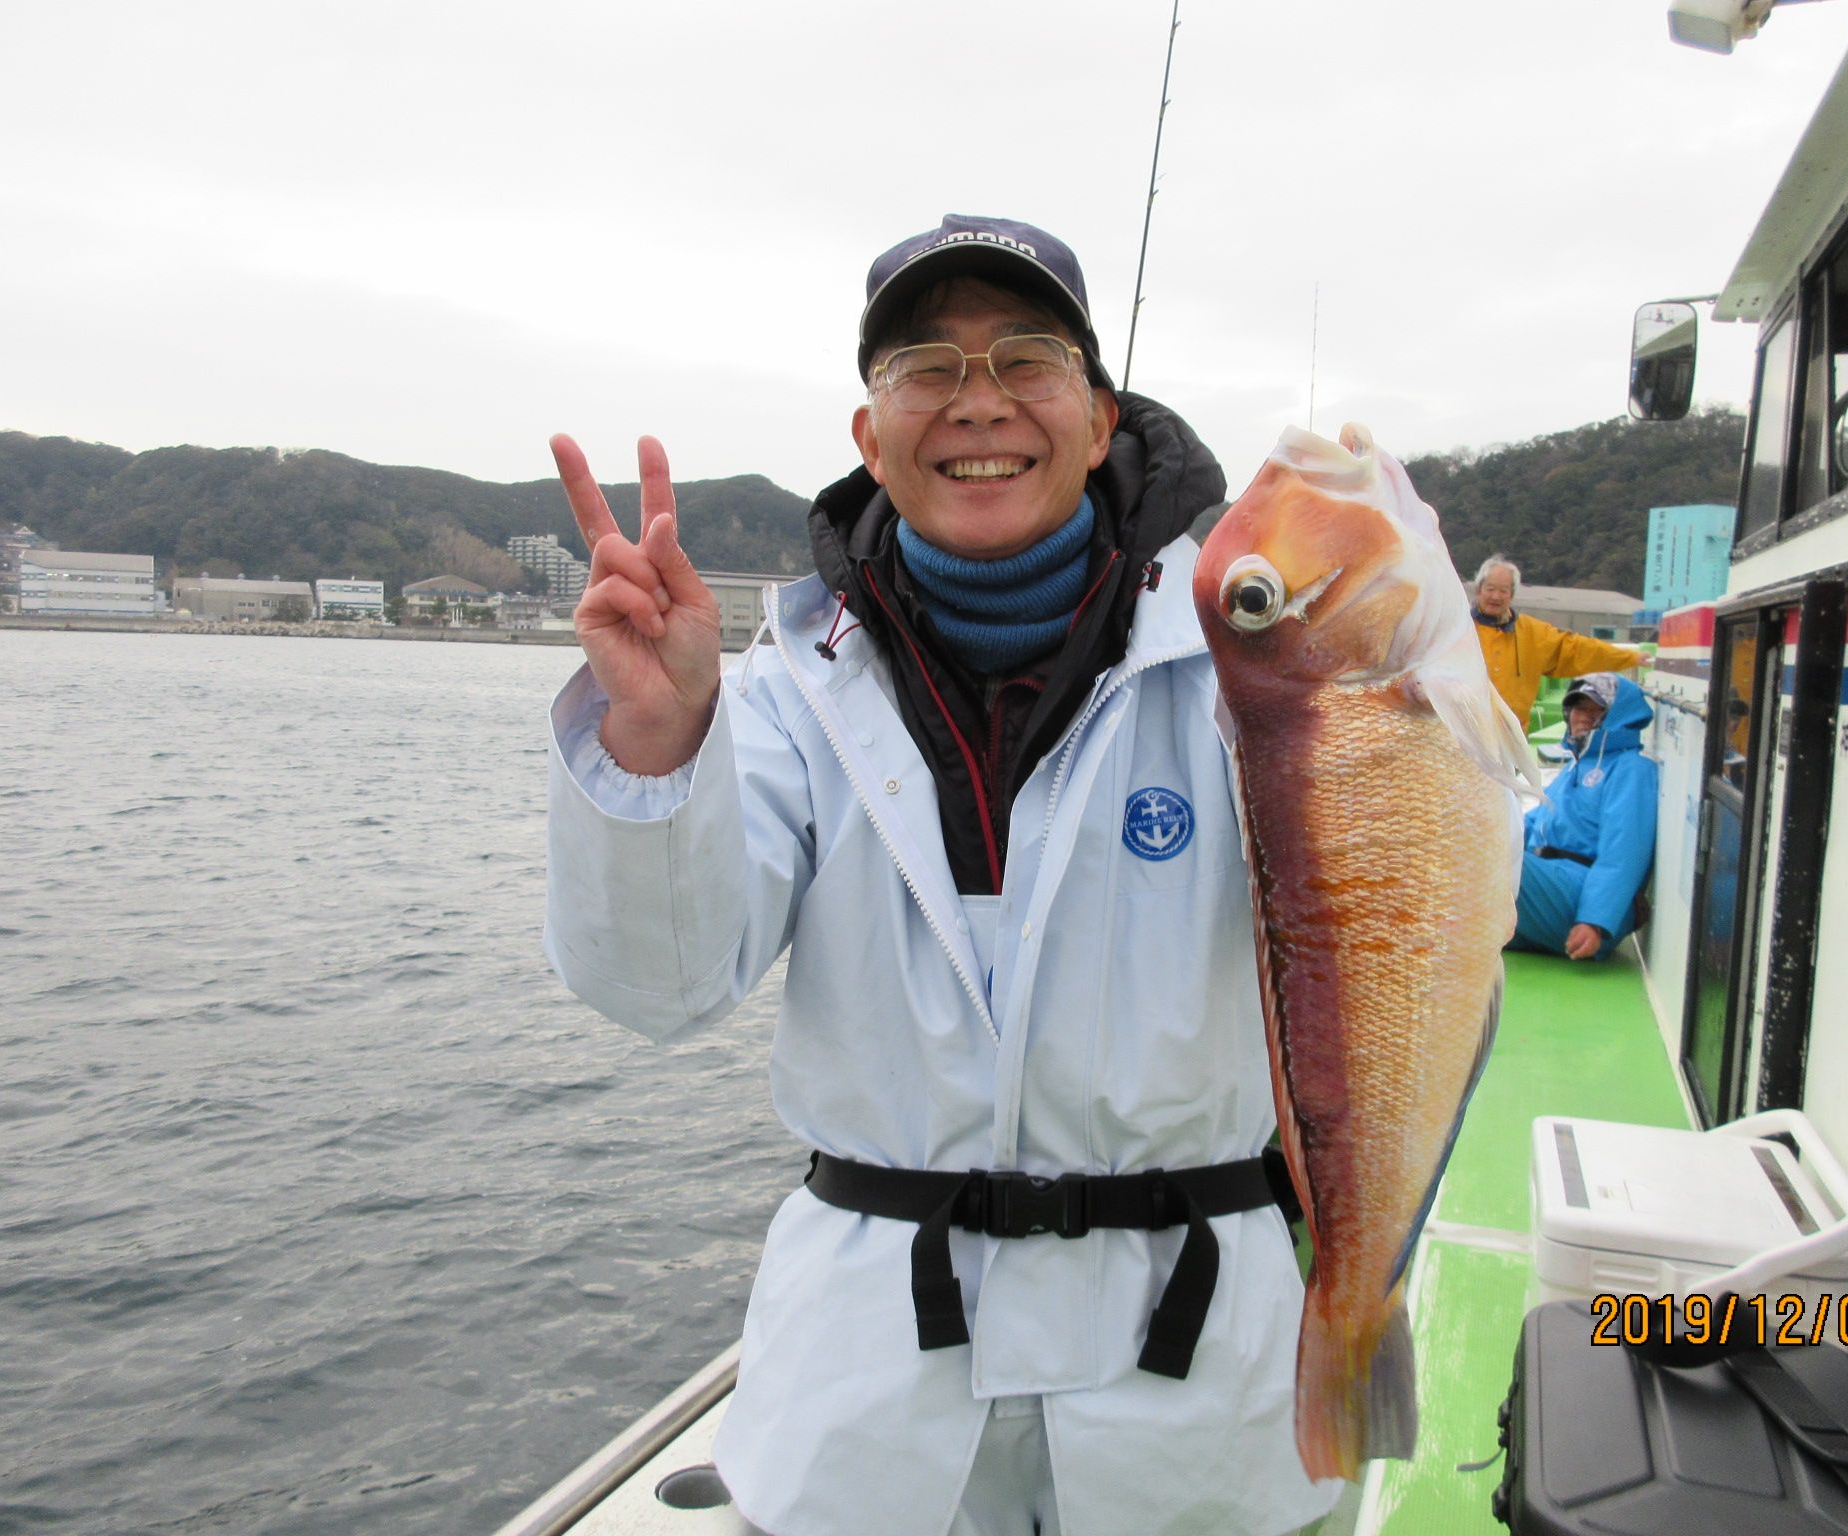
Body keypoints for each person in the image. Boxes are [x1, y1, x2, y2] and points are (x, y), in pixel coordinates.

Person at [540, 215, 1340, 1536]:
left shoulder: (1253, 651)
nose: (978, 403)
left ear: (1099, 417)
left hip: (1196, 1389)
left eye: (1026, 358)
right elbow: (659, 987)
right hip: (868, 1410)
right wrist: (657, 736)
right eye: (926, 367)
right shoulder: (788, 685)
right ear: (871, 435)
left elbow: (1394, 917)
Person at [1510, 672, 1658, 960]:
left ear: (1618, 716)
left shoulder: (1632, 770)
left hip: (1582, 898)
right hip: (1552, 883)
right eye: (1578, 707)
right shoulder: (1575, 766)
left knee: (1491, 859)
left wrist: (1595, 920)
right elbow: (1534, 822)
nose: (1583, 716)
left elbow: (1623, 853)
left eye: (1595, 709)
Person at [1471, 555, 1643, 727]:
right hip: (1467, 732)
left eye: (1503, 591)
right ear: (1479, 590)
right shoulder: (1461, 629)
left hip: (1511, 734)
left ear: (1512, 595)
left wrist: (1630, 657)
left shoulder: (1532, 633)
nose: (1496, 596)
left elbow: (1577, 650)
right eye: (1490, 589)